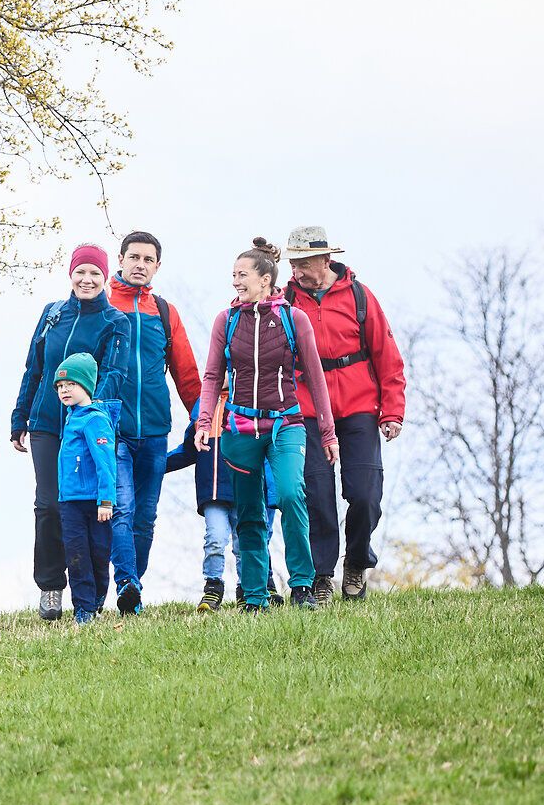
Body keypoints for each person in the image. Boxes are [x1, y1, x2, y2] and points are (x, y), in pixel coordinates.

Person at [195, 238, 340, 611]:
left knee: (291, 495)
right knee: (249, 511)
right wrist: (205, 420)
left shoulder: (294, 319)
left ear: (265, 279)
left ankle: (302, 585)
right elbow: (211, 376)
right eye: (233, 275)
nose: (235, 282)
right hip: (241, 428)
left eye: (242, 275)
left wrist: (328, 433)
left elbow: (316, 378)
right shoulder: (226, 320)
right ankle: (255, 595)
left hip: (285, 424)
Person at [283, 225, 407, 602]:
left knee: (365, 493)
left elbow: (387, 356)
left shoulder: (359, 296)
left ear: (325, 260)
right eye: (293, 264)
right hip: (307, 409)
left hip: (358, 406)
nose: (297, 271)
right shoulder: (285, 300)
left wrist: (392, 411)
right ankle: (321, 574)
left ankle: (356, 562)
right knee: (316, 493)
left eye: (304, 263)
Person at [10, 243, 125, 621]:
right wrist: (20, 416)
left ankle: (89, 594)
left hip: (86, 429)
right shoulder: (52, 313)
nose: (87, 279)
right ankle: (50, 587)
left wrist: (90, 414)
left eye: (95, 273)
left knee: (84, 509)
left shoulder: (114, 321)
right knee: (48, 505)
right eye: (81, 272)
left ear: (105, 277)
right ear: (71, 274)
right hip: (45, 423)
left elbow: (114, 375)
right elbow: (34, 368)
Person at [105, 231, 202, 614]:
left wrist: (202, 418)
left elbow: (187, 373)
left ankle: (133, 591)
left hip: (156, 431)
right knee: (121, 509)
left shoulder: (164, 312)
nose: (140, 265)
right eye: (134, 257)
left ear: (157, 266)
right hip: (113, 429)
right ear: (121, 259)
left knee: (145, 517)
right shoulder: (102, 303)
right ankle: (125, 581)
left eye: (148, 260)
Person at [165, 409, 280, 610]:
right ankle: (213, 587)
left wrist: (272, 491)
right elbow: (188, 450)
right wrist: (157, 465)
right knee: (215, 539)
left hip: (244, 491)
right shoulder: (203, 410)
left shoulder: (248, 405)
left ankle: (246, 588)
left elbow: (265, 451)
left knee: (243, 543)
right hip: (213, 493)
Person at [53, 353, 118, 625]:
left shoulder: (94, 420)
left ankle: (97, 597)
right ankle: (84, 608)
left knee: (98, 553)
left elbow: (106, 462)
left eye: (71, 384)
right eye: (60, 386)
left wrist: (106, 500)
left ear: (86, 386)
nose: (64, 390)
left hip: (95, 502)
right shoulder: (71, 418)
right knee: (76, 554)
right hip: (70, 502)